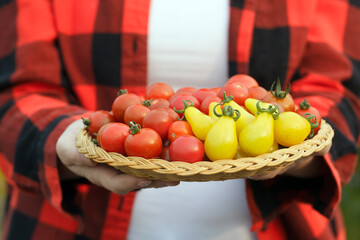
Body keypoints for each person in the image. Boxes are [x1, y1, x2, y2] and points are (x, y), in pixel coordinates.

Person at [0, 0, 359, 239]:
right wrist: (66, 137)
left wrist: (302, 147)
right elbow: (16, 88)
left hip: (276, 226)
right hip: (67, 226)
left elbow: (337, 85)